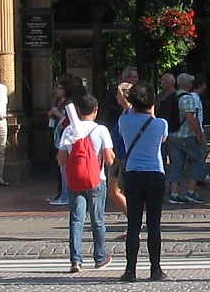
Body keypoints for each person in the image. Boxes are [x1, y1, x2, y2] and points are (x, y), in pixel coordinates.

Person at [114, 81, 170, 281]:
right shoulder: (160, 124)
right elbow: (161, 139)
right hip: (155, 173)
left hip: (133, 174)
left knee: (134, 223)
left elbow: (123, 132)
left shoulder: (124, 122)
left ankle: (130, 270)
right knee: (154, 223)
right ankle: (155, 268)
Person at [56, 90, 114, 273]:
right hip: (97, 179)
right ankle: (100, 256)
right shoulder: (101, 130)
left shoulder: (69, 130)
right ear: (95, 110)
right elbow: (109, 159)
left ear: (78, 110)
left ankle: (76, 260)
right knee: (97, 219)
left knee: (76, 219)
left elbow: (61, 159)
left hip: (75, 179)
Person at [167, 73, 208, 206]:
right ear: (187, 84)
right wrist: (199, 135)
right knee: (198, 159)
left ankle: (174, 193)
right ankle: (191, 190)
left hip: (173, 135)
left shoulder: (172, 96)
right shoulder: (187, 98)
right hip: (186, 135)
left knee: (177, 163)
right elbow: (190, 119)